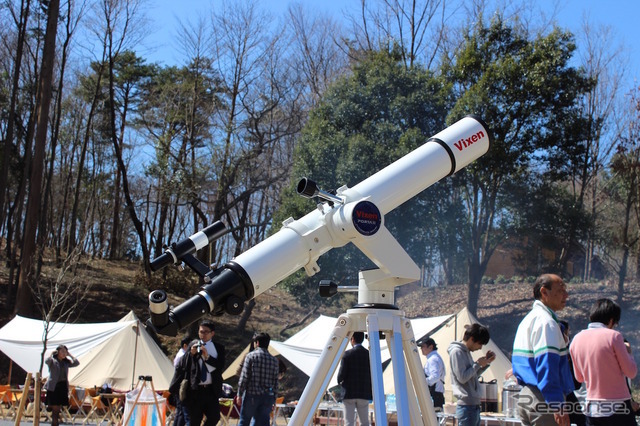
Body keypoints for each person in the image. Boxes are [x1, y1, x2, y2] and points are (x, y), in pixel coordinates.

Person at [511, 273, 574, 426]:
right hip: (543, 399)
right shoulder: (547, 323)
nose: (566, 295)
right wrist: (556, 404)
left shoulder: (528, 320)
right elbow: (547, 366)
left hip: (527, 396)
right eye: (561, 290)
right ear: (544, 292)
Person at [569, 298, 637, 426]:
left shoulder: (576, 339)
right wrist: (628, 352)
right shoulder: (614, 336)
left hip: (592, 407)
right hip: (619, 406)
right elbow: (631, 372)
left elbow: (579, 377)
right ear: (611, 320)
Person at [170, 320, 226, 426]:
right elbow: (181, 365)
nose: (203, 335)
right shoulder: (193, 344)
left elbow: (220, 366)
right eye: (201, 332)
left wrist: (207, 357)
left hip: (211, 389)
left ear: (212, 333)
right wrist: (190, 354)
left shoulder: (218, 348)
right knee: (193, 421)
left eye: (206, 332)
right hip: (195, 389)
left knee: (214, 417)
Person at [447, 323, 495, 426]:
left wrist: (484, 363)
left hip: (473, 406)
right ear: (472, 339)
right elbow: (462, 377)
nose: (480, 347)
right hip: (466, 407)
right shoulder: (457, 352)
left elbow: (472, 376)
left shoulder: (466, 352)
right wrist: (477, 364)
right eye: (480, 344)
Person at [235, 332, 279, 426]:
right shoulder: (274, 360)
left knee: (244, 421)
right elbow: (276, 382)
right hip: (267, 396)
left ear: (257, 343)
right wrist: (274, 398)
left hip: (252, 394)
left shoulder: (251, 356)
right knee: (262, 422)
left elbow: (245, 376)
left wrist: (239, 393)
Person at [337, 331, 372, 426]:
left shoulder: (347, 354)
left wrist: (339, 380)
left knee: (349, 422)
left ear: (352, 339)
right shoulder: (369, 355)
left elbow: (341, 374)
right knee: (364, 422)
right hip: (364, 392)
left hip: (349, 392)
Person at [45, 345, 79, 426]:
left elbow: (76, 363)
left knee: (58, 407)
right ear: (58, 352)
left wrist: (70, 355)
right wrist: (51, 354)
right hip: (54, 386)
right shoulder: (53, 361)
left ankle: (51, 409)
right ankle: (54, 421)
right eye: (62, 351)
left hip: (63, 385)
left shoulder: (66, 362)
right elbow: (47, 361)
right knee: (56, 408)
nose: (64, 353)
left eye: (65, 351)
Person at [419, 337, 446, 410]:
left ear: (430, 347)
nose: (421, 349)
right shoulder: (435, 358)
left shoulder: (433, 359)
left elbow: (435, 376)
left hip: (435, 394)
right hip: (436, 393)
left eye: (423, 346)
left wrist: (422, 382)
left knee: (432, 419)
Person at [172, 336, 192, 426]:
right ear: (185, 346)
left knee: (179, 411)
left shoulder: (181, 354)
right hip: (180, 386)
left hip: (179, 385)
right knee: (181, 413)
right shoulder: (182, 356)